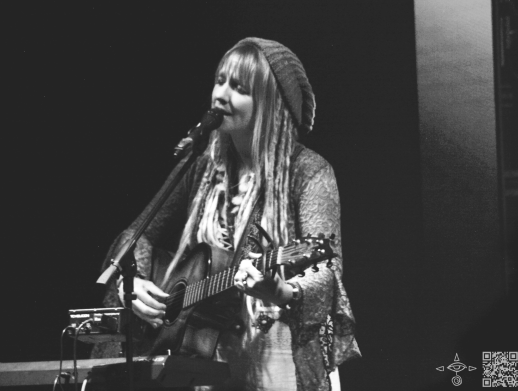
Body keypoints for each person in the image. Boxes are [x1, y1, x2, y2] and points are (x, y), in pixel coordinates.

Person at [92, 38, 361, 391]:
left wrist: (282, 290)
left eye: (238, 88)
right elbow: (136, 234)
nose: (220, 96)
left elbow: (327, 273)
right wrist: (133, 282)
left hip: (279, 361)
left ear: (270, 103)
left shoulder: (308, 171)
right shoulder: (203, 166)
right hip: (207, 364)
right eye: (220, 81)